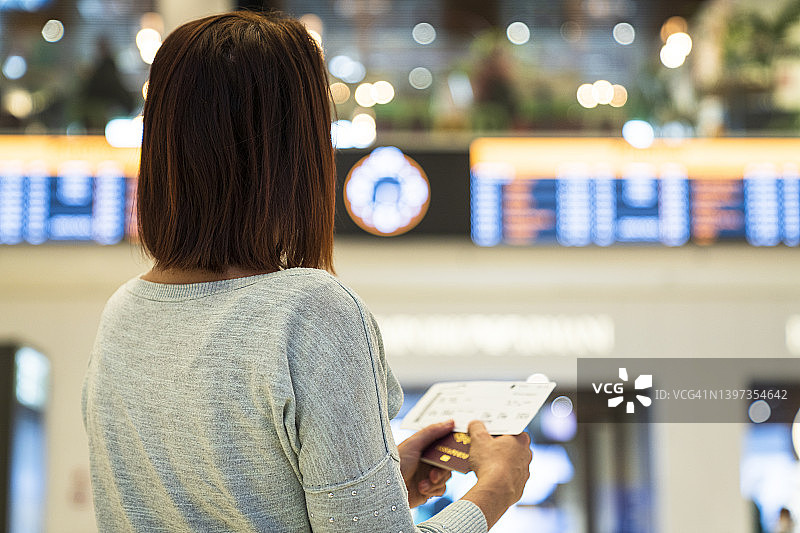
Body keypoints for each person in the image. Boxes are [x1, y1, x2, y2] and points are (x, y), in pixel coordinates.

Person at [81, 11, 532, 532]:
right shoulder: (311, 312)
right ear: (298, 149)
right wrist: (495, 490)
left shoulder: (121, 316)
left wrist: (375, 485)